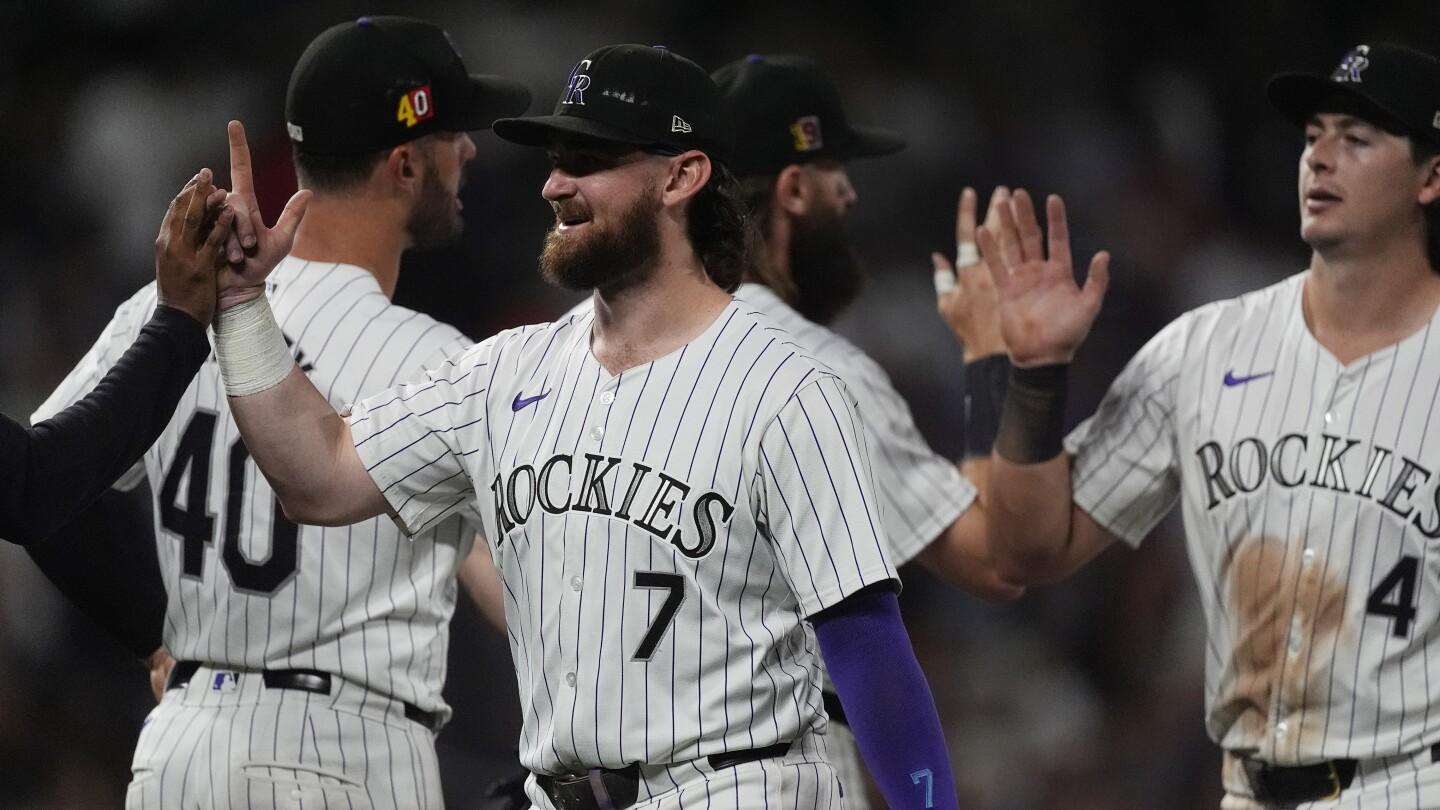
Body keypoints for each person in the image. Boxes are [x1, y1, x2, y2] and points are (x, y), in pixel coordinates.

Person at [209, 43, 959, 810]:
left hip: (738, 785)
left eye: (589, 158)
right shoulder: (502, 373)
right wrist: (240, 307)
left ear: (682, 175)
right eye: (557, 158)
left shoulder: (787, 387)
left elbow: (869, 649)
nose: (555, 184)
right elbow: (317, 476)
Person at [33, 16, 529, 809]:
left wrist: (150, 638)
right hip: (344, 750)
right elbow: (517, 594)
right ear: (403, 164)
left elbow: (43, 495)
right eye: (453, 135)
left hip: (182, 746)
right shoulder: (442, 363)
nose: (469, 149)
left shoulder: (169, 308)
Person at [981, 42, 1440, 808]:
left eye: (1356, 140)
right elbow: (1028, 548)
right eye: (1313, 135)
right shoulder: (1203, 348)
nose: (1321, 157)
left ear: (1431, 177)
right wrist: (1034, 378)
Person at [630, 52, 1018, 806]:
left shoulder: (588, 348)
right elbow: (996, 561)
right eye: (837, 168)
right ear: (794, 186)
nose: (850, 192)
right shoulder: (814, 370)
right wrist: (990, 359)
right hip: (769, 769)